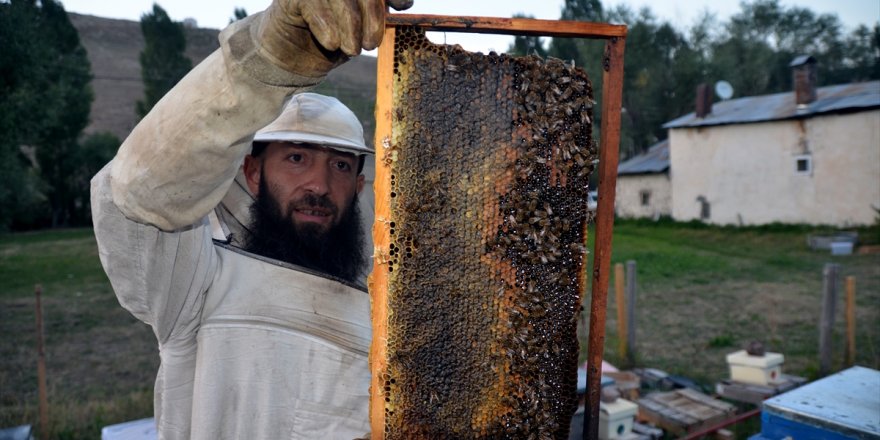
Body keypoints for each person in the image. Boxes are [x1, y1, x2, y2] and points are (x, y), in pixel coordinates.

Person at [90, 0, 413, 438]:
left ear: (359, 186)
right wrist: (264, 60)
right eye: (297, 158)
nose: (319, 184)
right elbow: (138, 193)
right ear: (253, 172)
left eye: (340, 166)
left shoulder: (395, 309)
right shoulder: (195, 284)